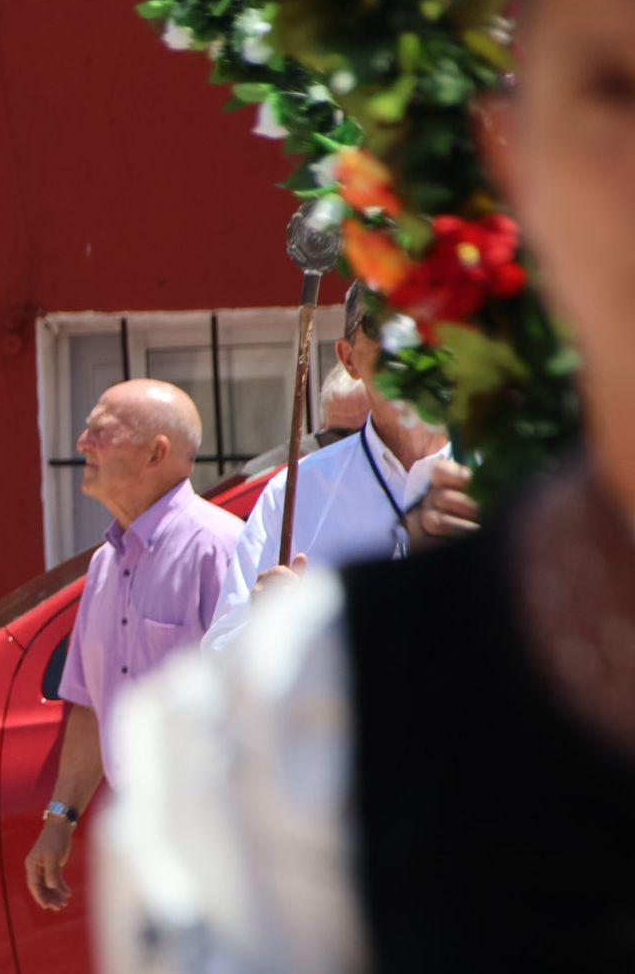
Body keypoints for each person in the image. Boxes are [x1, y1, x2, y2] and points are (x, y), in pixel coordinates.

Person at [105, 0, 635, 970]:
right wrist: (278, 618)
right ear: (512, 161)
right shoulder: (290, 715)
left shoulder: (495, 462)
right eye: (615, 92)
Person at [23, 380, 241, 914]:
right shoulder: (105, 562)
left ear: (156, 453)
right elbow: (91, 704)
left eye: (101, 431)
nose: (81, 444)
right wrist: (60, 819)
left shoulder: (221, 548)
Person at [201, 283, 460, 655]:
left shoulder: (510, 482)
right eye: (381, 324)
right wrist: (264, 628)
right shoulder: (294, 493)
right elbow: (217, 661)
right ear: (348, 357)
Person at [238, 362, 369, 478]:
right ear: (322, 428)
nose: (351, 447)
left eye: (367, 434)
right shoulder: (292, 480)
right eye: (337, 437)